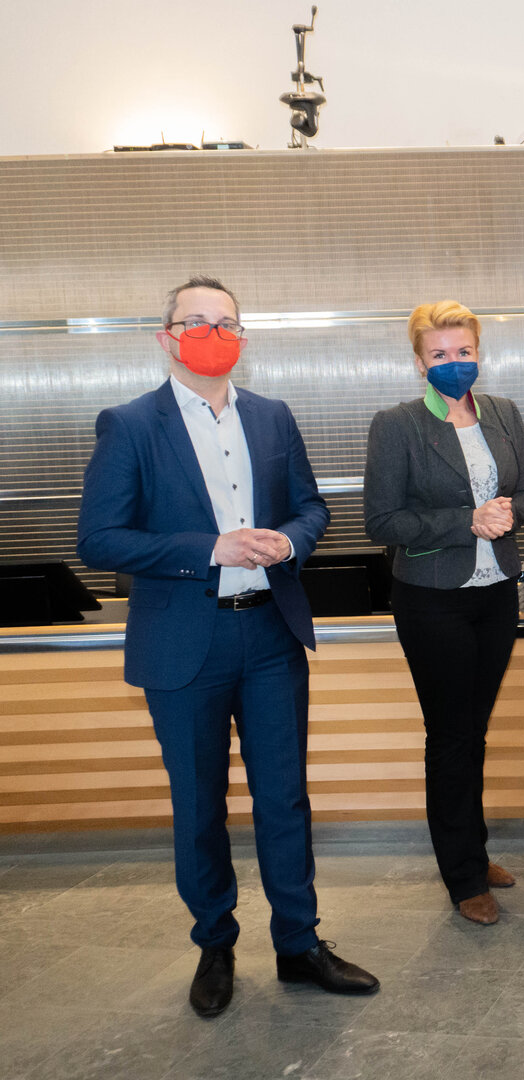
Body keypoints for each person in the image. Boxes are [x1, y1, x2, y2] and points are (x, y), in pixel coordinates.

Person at [77, 276, 378, 1018]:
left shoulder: (272, 417)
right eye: (197, 321)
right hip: (185, 644)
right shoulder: (129, 424)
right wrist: (209, 547)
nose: (214, 332)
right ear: (166, 336)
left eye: (228, 322)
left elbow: (313, 506)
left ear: (243, 336)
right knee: (199, 805)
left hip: (270, 634)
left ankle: (299, 943)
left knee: (284, 799)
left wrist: (292, 540)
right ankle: (215, 943)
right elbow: (98, 539)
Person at [363, 301, 524, 925]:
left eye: (463, 351)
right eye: (440, 354)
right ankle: (462, 874)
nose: (454, 363)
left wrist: (507, 513)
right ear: (419, 363)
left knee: (475, 728)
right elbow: (381, 521)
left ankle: (473, 847)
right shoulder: (398, 425)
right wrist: (466, 521)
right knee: (452, 734)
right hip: (432, 597)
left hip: (496, 595)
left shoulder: (503, 413)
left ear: (478, 353)